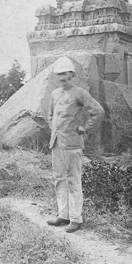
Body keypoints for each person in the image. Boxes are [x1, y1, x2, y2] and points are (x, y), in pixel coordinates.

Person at [46, 56, 104, 233]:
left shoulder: (79, 93)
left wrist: (84, 128)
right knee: (59, 180)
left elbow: (98, 111)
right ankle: (63, 215)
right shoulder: (55, 94)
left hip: (72, 145)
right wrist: (56, 130)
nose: (62, 77)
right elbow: (50, 115)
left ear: (72, 74)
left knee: (73, 181)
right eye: (59, 74)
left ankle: (76, 219)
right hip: (56, 144)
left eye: (66, 74)